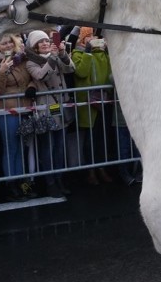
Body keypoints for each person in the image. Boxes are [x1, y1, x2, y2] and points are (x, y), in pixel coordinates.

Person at [24, 30, 75, 198]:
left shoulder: (55, 56)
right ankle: (50, 182)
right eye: (41, 42)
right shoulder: (31, 62)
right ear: (34, 46)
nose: (45, 43)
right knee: (47, 147)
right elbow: (42, 76)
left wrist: (61, 53)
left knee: (59, 147)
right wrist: (52, 57)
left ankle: (60, 179)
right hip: (46, 108)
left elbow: (70, 69)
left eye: (47, 40)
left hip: (61, 105)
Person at [0, 33, 36, 201]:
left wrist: (31, 87)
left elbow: (31, 78)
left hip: (25, 107)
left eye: (10, 41)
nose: (8, 45)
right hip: (7, 111)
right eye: (3, 43)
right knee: (11, 149)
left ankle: (23, 184)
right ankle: (12, 185)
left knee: (23, 149)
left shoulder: (21, 60)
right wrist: (2, 71)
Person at [71, 28, 114, 186]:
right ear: (82, 40)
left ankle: (102, 168)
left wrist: (108, 51)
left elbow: (110, 73)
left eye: (93, 35)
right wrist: (88, 52)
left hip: (103, 100)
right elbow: (81, 72)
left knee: (102, 138)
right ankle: (91, 171)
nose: (92, 38)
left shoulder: (102, 53)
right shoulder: (77, 54)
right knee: (89, 140)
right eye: (87, 36)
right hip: (87, 103)